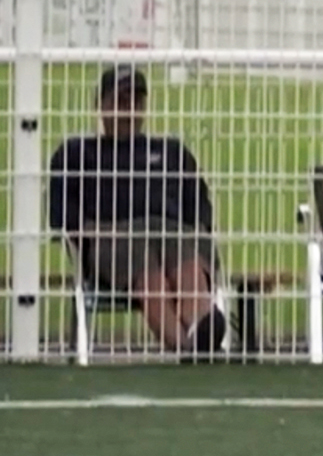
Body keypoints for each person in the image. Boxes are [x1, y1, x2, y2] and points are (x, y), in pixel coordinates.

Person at [47, 66, 235, 356]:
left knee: (184, 244)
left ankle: (199, 324)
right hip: (113, 237)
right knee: (142, 261)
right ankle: (189, 346)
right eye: (121, 102)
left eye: (136, 102)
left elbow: (199, 209)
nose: (129, 111)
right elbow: (62, 217)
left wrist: (196, 230)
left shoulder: (171, 151)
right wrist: (95, 231)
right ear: (100, 105)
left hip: (171, 232)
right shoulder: (77, 153)